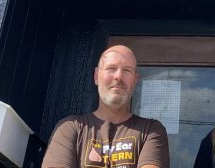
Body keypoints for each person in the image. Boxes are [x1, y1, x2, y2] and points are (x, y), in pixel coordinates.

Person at [42, 45, 170, 168]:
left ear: (135, 80)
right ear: (96, 76)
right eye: (111, 68)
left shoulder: (151, 131)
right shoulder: (69, 128)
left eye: (127, 70)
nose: (118, 77)